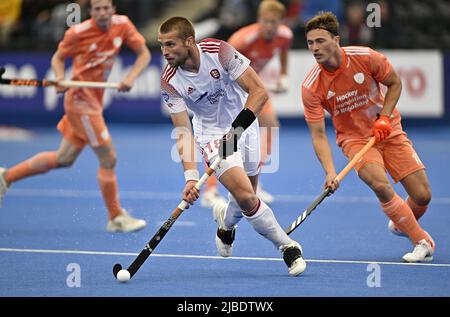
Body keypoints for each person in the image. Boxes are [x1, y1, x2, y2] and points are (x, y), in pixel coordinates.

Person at [158, 16, 306, 276]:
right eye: (162, 46)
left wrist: (236, 131)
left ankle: (225, 224)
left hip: (244, 124)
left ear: (189, 41)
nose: (165, 52)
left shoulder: (220, 51)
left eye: (170, 45)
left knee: (245, 195)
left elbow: (259, 91)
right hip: (211, 134)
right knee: (249, 199)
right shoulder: (170, 81)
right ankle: (287, 247)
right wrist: (190, 178)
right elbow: (182, 131)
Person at [0, 0, 151, 233]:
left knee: (64, 158)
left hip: (95, 100)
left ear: (113, 9)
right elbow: (58, 58)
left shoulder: (123, 25)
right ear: (90, 12)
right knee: (108, 158)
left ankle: (7, 176)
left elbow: (144, 54)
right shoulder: (77, 33)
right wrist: (60, 78)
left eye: (106, 8)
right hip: (80, 102)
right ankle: (116, 217)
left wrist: (130, 78)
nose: (102, 13)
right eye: (97, 9)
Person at [301, 11, 434, 262]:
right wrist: (330, 171)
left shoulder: (365, 57)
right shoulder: (311, 86)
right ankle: (422, 241)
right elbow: (318, 135)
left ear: (336, 40)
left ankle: (402, 221)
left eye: (320, 41)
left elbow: (394, 83)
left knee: (422, 196)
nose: (314, 48)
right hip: (355, 140)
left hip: (388, 129)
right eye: (310, 43)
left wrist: (384, 117)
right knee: (380, 184)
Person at [201, 0, 292, 207]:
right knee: (228, 138)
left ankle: (254, 185)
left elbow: (284, 52)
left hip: (254, 89)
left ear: (281, 22)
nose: (270, 26)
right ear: (259, 20)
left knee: (271, 126)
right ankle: (210, 190)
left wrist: (284, 76)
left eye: (274, 23)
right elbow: (221, 65)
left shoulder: (285, 35)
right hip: (231, 90)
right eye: (266, 22)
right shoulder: (241, 39)